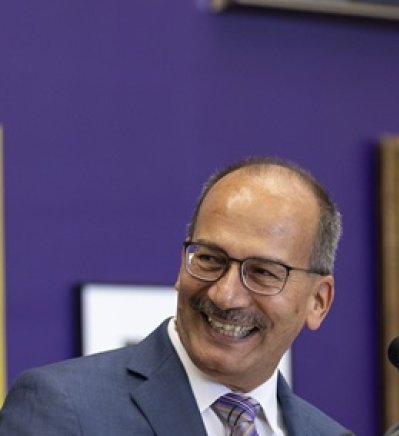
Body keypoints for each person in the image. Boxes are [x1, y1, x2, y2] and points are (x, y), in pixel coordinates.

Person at [0, 157, 350, 435]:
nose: (225, 295)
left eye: (262, 272)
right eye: (210, 260)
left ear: (319, 301)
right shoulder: (64, 407)